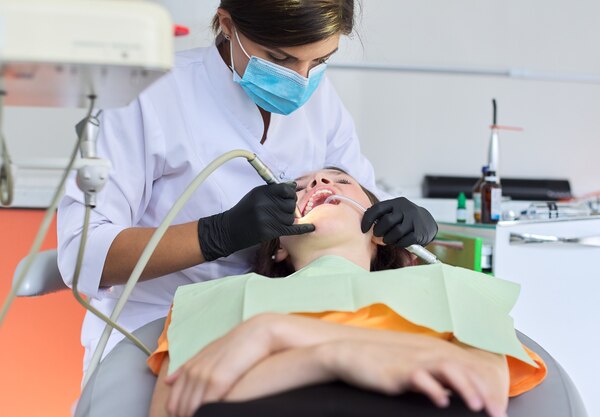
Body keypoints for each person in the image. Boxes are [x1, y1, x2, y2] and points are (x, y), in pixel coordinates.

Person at [57, 0, 438, 375]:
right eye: (281, 59)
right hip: (159, 324)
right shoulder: (147, 97)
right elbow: (81, 255)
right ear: (226, 23)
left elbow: (363, 194)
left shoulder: (323, 101)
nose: (302, 81)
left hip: (292, 320)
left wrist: (404, 219)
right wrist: (217, 234)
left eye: (320, 62)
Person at [147, 169, 547, 417]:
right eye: (297, 188)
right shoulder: (215, 297)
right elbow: (177, 409)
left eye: (341, 182)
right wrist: (330, 358)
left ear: (380, 230)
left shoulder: (449, 283)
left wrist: (277, 335)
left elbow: (485, 393)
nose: (321, 183)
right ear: (278, 244)